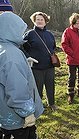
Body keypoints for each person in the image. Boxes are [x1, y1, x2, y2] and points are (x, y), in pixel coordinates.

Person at [0, 10, 44, 139]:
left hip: (4, 115)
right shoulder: (12, 55)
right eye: (20, 30)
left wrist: (23, 63)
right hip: (16, 120)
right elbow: (16, 89)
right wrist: (27, 112)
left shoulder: (3, 48)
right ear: (11, 29)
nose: (22, 34)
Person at [22, 12, 58, 111]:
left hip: (50, 66)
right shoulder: (30, 34)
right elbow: (22, 47)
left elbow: (53, 47)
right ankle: (38, 106)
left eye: (41, 19)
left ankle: (52, 103)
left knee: (50, 86)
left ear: (45, 21)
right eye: (37, 19)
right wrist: (28, 57)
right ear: (34, 21)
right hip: (36, 67)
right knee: (37, 89)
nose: (39, 21)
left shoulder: (49, 34)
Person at [61, 13, 79, 104]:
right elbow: (64, 45)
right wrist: (72, 54)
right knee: (72, 77)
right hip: (72, 60)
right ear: (72, 23)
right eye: (77, 23)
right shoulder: (67, 32)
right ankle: (71, 95)